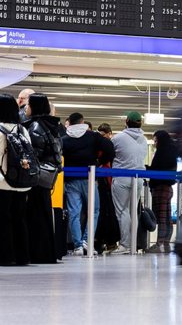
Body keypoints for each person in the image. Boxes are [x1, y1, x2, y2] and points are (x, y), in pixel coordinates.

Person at [62, 112, 115, 256]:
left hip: (71, 179)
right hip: (89, 179)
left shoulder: (64, 139)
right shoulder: (92, 136)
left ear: (70, 123)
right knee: (94, 210)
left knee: (74, 212)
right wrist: (100, 162)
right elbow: (110, 148)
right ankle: (87, 240)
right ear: (82, 121)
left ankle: (78, 246)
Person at [24, 93, 63, 264]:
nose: (26, 108)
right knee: (44, 214)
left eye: (28, 105)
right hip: (48, 178)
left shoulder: (35, 128)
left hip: (36, 178)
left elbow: (34, 154)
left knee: (34, 215)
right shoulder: (52, 126)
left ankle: (36, 252)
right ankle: (46, 252)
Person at [110, 112, 148, 255]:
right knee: (133, 211)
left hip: (121, 178)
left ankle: (125, 244)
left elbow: (109, 152)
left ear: (126, 121)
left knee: (122, 211)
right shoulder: (144, 139)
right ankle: (133, 243)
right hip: (138, 178)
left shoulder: (118, 138)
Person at [0, 94, 31, 266]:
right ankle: (22, 256)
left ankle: (5, 256)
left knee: (3, 219)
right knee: (19, 218)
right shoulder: (23, 129)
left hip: (2, 182)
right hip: (21, 182)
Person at [146, 130, 178, 254]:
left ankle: (159, 244)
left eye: (155, 140)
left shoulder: (162, 152)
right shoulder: (171, 151)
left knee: (161, 218)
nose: (154, 143)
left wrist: (146, 168)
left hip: (160, 188)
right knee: (167, 217)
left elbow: (156, 169)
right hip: (168, 188)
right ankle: (166, 244)